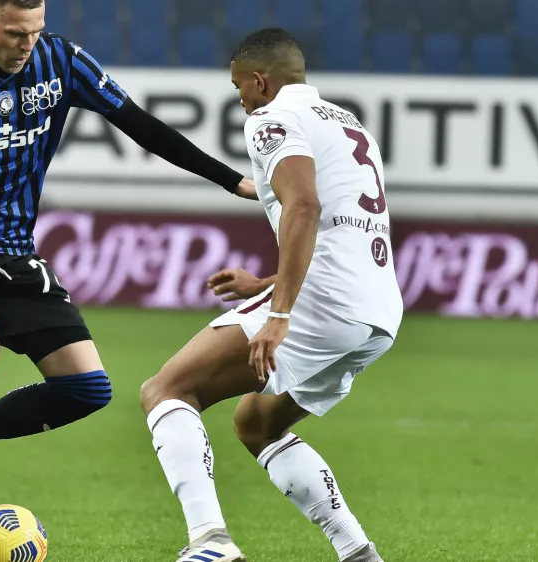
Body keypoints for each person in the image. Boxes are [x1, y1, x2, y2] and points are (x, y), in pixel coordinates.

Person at [0, 1, 256, 560]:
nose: (26, 44)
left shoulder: (60, 60)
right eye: (14, 34)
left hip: (12, 250)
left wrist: (232, 181)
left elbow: (139, 125)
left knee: (86, 390)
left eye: (34, 32)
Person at [138, 28, 404, 562]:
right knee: (256, 422)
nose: (239, 98)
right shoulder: (348, 123)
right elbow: (341, 228)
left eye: (239, 87)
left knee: (166, 390)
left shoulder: (270, 118)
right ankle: (357, 552)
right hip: (377, 311)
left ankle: (210, 543)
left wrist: (278, 312)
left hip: (320, 303)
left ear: (260, 81)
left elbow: (303, 206)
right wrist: (265, 285)